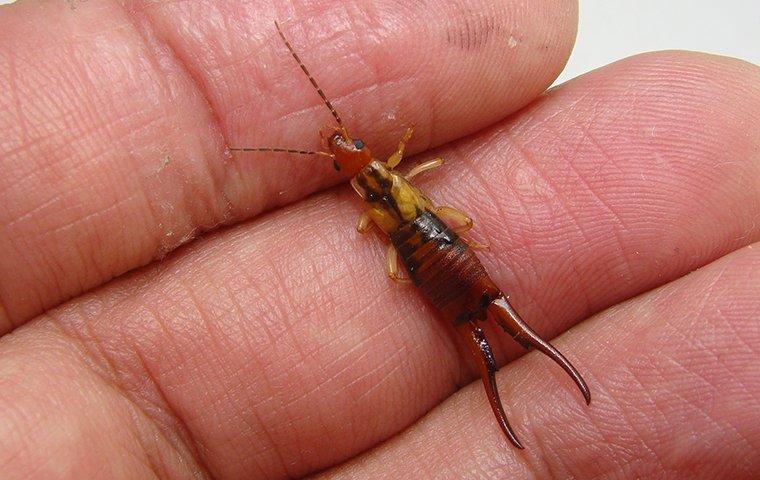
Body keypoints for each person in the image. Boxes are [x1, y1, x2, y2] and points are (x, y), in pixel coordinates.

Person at [0, 1, 758, 478]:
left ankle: (501, 341)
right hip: (436, 247)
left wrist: (413, 235)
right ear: (371, 165)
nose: (350, 151)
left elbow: (397, 216)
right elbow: (404, 208)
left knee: (480, 315)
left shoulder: (376, 191)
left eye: (350, 149)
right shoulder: (388, 185)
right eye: (351, 154)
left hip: (435, 254)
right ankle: (498, 341)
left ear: (363, 162)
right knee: (482, 321)